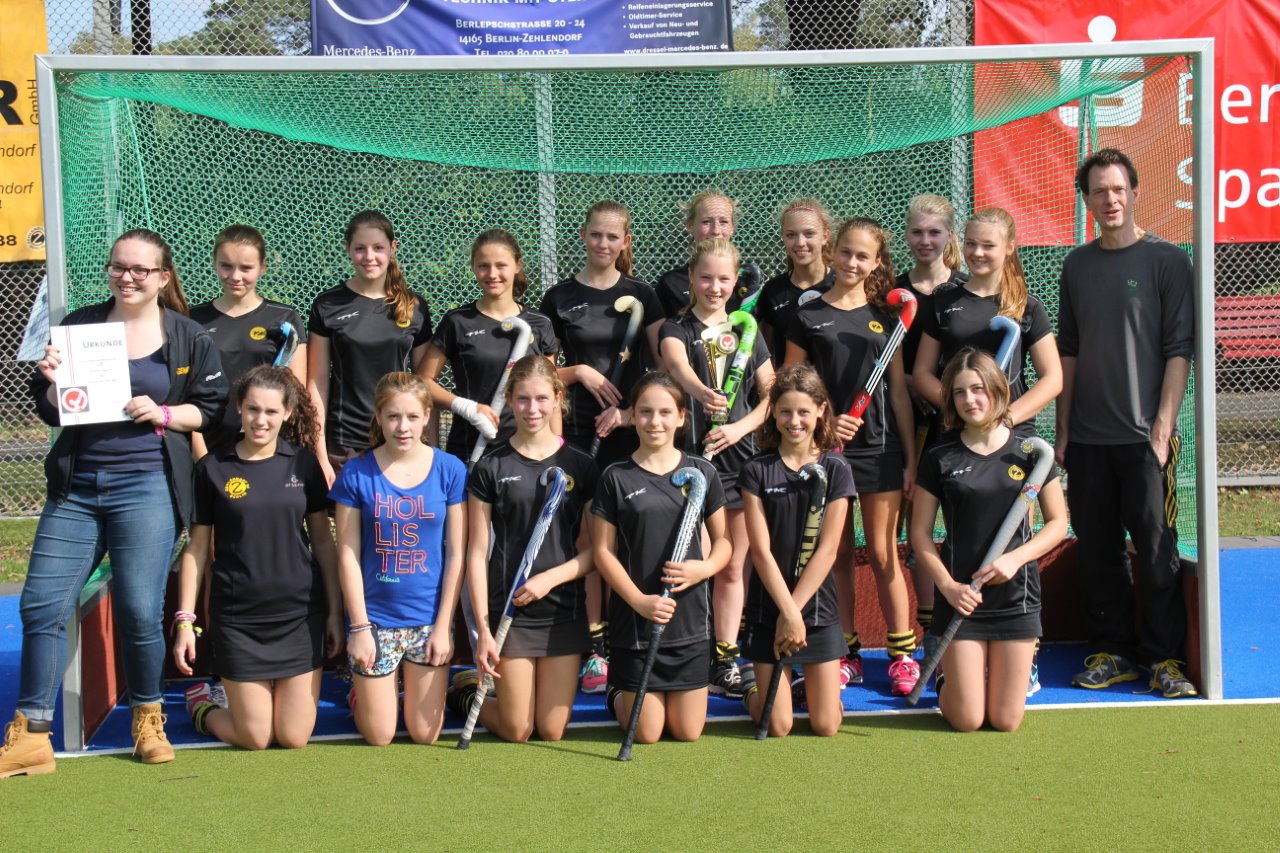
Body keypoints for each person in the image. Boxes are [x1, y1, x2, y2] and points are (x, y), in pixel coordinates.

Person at [1, 229, 228, 777]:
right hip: (77, 489)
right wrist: (52, 382)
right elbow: (52, 409)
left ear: (163, 278)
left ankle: (148, 720)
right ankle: (31, 735)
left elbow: (212, 408)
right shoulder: (80, 326)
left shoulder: (188, 335)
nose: (128, 277)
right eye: (119, 267)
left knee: (138, 609)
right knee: (42, 605)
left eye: (140, 270)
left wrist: (164, 413)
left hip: (146, 485)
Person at [1056, 148, 1197, 698]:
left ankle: (1163, 659)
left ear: (1135, 193)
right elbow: (1069, 350)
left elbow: (1179, 350)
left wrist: (1161, 430)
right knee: (1098, 551)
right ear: (1087, 201)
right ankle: (1111, 651)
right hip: (1088, 440)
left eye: (1118, 189)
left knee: (1157, 550)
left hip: (1146, 440)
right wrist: (1063, 431)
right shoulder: (1077, 265)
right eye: (1099, 192)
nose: (1110, 199)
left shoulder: (1168, 261)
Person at [910, 206, 1063, 694]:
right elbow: (921, 373)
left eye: (988, 245)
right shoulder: (944, 301)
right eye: (971, 243)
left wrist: (1004, 419)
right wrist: (960, 410)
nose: (978, 252)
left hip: (1011, 445)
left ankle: (1024, 655)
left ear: (1009, 248)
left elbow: (1052, 378)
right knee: (961, 538)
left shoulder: (1026, 305)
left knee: (1013, 542)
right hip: (956, 437)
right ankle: (947, 646)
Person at [784, 217, 919, 696]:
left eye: (863, 256)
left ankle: (902, 655)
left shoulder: (888, 317)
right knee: (836, 554)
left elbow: (898, 392)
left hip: (880, 450)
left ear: (877, 262)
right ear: (833, 251)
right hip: (825, 452)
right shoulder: (808, 314)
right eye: (846, 252)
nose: (852, 262)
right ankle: (846, 651)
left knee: (882, 553)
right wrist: (824, 426)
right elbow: (790, 386)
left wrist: (910, 459)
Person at [174, 366, 341, 749]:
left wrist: (334, 612)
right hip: (239, 621)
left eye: (270, 411)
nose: (260, 420)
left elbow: (323, 541)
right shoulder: (212, 469)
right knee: (256, 737)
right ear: (239, 407)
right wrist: (185, 621)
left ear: (287, 413)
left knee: (294, 737)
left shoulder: (303, 464)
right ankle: (203, 706)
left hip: (299, 617)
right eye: (252, 409)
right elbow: (196, 550)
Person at [538, 200, 662, 692]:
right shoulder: (559, 297)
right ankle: (594, 647)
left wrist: (629, 413)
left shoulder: (642, 294)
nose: (603, 244)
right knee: (587, 541)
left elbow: (663, 368)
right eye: (596, 235)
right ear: (583, 236)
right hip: (575, 432)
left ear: (625, 242)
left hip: (632, 433)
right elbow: (542, 374)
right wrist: (581, 372)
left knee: (630, 539)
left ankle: (632, 636)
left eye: (613, 237)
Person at [910, 348, 1066, 731]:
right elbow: (919, 534)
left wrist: (1015, 559)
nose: (970, 400)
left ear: (997, 390)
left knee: (1005, 720)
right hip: (962, 598)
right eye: (960, 392)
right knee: (967, 719)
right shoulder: (940, 456)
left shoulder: (1031, 452)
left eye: (978, 389)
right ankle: (949, 682)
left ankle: (974, 682)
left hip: (1016, 597)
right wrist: (948, 587)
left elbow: (1058, 524)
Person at [448, 356, 598, 742]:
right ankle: (464, 694)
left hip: (563, 609)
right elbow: (476, 553)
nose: (533, 409)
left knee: (551, 730)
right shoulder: (490, 467)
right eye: (523, 399)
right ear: (510, 399)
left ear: (558, 399)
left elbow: (595, 552)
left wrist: (550, 578)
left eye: (542, 399)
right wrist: (483, 630)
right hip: (509, 612)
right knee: (518, 729)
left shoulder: (580, 464)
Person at [659, 237, 775, 698]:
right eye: (705, 277)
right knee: (698, 564)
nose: (714, 287)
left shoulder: (748, 330)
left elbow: (771, 396)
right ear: (691, 277)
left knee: (732, 567)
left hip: (739, 461)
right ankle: (694, 653)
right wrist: (702, 392)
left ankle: (725, 658)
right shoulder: (678, 326)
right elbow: (674, 364)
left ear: (735, 282)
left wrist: (738, 429)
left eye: (724, 279)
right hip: (692, 462)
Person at [592, 373, 731, 745]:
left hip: (689, 623)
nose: (655, 421)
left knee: (687, 732)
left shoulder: (703, 472)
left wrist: (704, 568)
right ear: (633, 416)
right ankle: (616, 693)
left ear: (682, 417)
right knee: (646, 733)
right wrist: (639, 601)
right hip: (636, 624)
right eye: (645, 412)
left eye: (665, 412)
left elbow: (724, 543)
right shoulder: (615, 476)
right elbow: (602, 552)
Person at [331, 372, 466, 745]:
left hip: (429, 620)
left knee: (425, 735)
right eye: (392, 416)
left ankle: (446, 688)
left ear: (427, 417)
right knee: (380, 735)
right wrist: (360, 628)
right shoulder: (357, 472)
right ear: (378, 417)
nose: (402, 427)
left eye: (411, 417)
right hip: (376, 621)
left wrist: (444, 626)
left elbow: (456, 553)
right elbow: (347, 554)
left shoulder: (450, 469)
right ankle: (363, 693)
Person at [740, 364, 854, 737]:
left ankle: (812, 691)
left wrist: (797, 612)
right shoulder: (757, 469)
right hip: (769, 608)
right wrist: (786, 612)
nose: (794, 421)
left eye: (803, 411)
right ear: (773, 412)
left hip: (817, 610)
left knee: (826, 725)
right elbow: (760, 551)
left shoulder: (836, 468)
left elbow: (828, 550)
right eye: (785, 411)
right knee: (778, 725)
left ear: (821, 410)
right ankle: (751, 690)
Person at [308, 211, 433, 485]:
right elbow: (316, 383)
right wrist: (320, 454)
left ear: (392, 247)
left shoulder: (415, 307)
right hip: (346, 443)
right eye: (360, 248)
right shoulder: (327, 305)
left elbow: (425, 385)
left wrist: (431, 447)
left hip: (401, 436)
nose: (369, 257)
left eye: (378, 247)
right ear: (347, 249)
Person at [419, 229, 557, 463]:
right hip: (470, 450)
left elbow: (551, 393)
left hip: (529, 453)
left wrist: (557, 449)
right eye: (483, 266)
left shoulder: (540, 323)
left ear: (517, 265)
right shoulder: (457, 321)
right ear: (473, 267)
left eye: (501, 265)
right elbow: (423, 381)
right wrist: (467, 408)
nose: (492, 274)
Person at [190, 224, 307, 458]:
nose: (235, 276)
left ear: (262, 267)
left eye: (246, 268)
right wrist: (201, 458)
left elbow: (295, 393)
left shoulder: (285, 319)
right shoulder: (192, 320)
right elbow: (185, 393)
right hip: (208, 450)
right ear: (214, 263)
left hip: (266, 451)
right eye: (226, 266)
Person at [756, 200, 836, 366]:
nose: (800, 242)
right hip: (789, 382)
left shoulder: (842, 285)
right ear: (783, 237)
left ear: (825, 236)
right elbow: (764, 357)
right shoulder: (772, 291)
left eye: (809, 234)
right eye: (791, 235)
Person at [654, 190, 748, 320]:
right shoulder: (671, 283)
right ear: (690, 225)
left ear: (732, 227)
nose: (716, 231)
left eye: (724, 222)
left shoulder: (748, 281)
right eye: (706, 222)